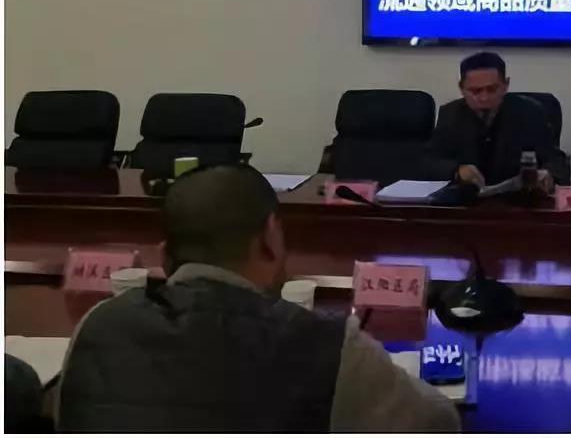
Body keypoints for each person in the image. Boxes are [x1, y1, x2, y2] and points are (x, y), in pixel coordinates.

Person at [56, 164, 459, 433]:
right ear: (270, 238)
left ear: (163, 257)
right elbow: (440, 423)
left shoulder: (99, 324)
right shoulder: (328, 346)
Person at [426, 52, 563, 191]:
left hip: (518, 198)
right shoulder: (450, 114)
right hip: (466, 199)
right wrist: (457, 170)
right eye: (475, 91)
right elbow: (429, 162)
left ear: (506, 85)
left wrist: (549, 174)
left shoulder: (531, 112)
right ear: (462, 88)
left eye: (492, 89)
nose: (484, 98)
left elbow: (555, 159)